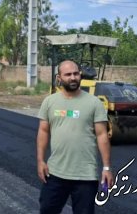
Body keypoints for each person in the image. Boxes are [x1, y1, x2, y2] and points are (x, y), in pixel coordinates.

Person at [36, 60, 113, 214]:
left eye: (76, 73)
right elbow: (43, 131)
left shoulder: (94, 103)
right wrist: (40, 161)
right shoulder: (50, 102)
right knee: (47, 210)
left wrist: (106, 167)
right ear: (59, 78)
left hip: (85, 175)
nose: (73, 77)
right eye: (68, 74)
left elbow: (102, 135)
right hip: (55, 172)